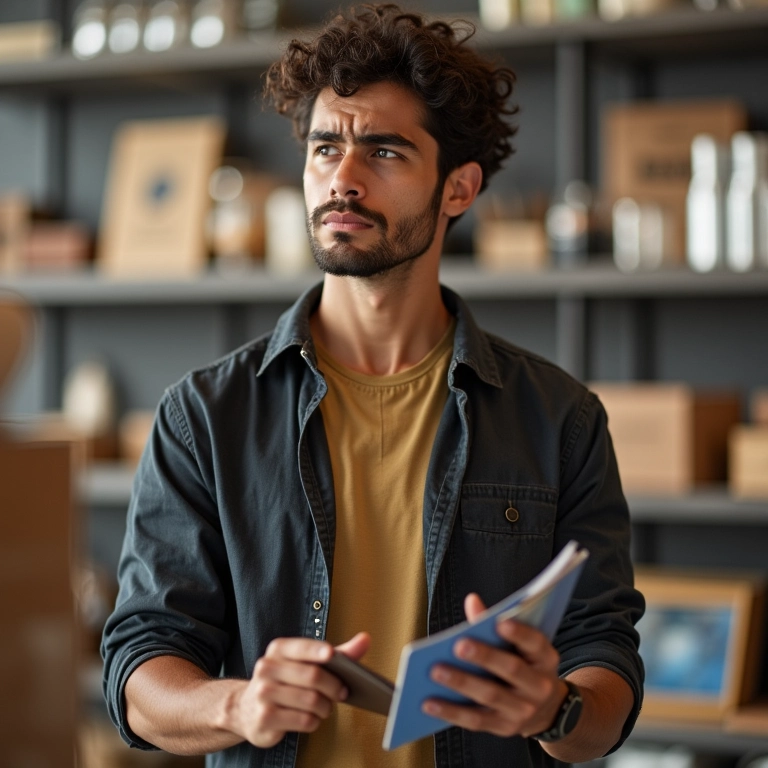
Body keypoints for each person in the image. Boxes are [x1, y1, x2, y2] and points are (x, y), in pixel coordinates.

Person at [102, 5, 644, 767]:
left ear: (458, 188)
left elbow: (606, 666)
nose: (343, 180)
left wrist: (553, 709)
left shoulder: (560, 419)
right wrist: (240, 702)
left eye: (384, 151)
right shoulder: (204, 416)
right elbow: (139, 670)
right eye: (326, 148)